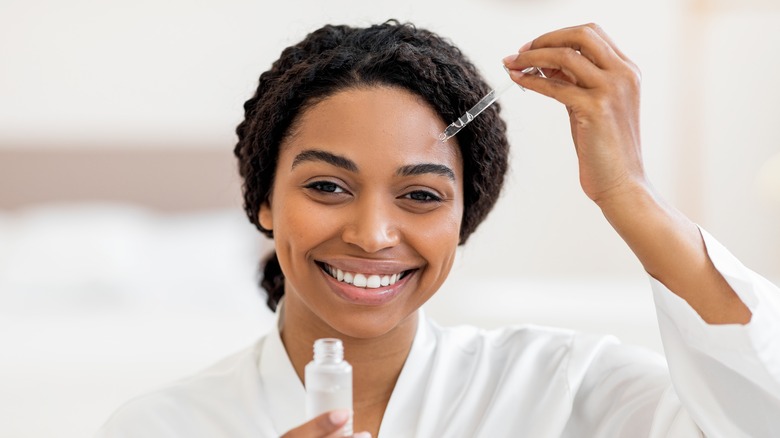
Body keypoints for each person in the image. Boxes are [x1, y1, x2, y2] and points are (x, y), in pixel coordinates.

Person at [97, 20, 780, 437]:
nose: (371, 234)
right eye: (327, 186)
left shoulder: (567, 390)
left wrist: (629, 194)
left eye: (420, 194)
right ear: (264, 203)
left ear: (463, 219)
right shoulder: (162, 427)